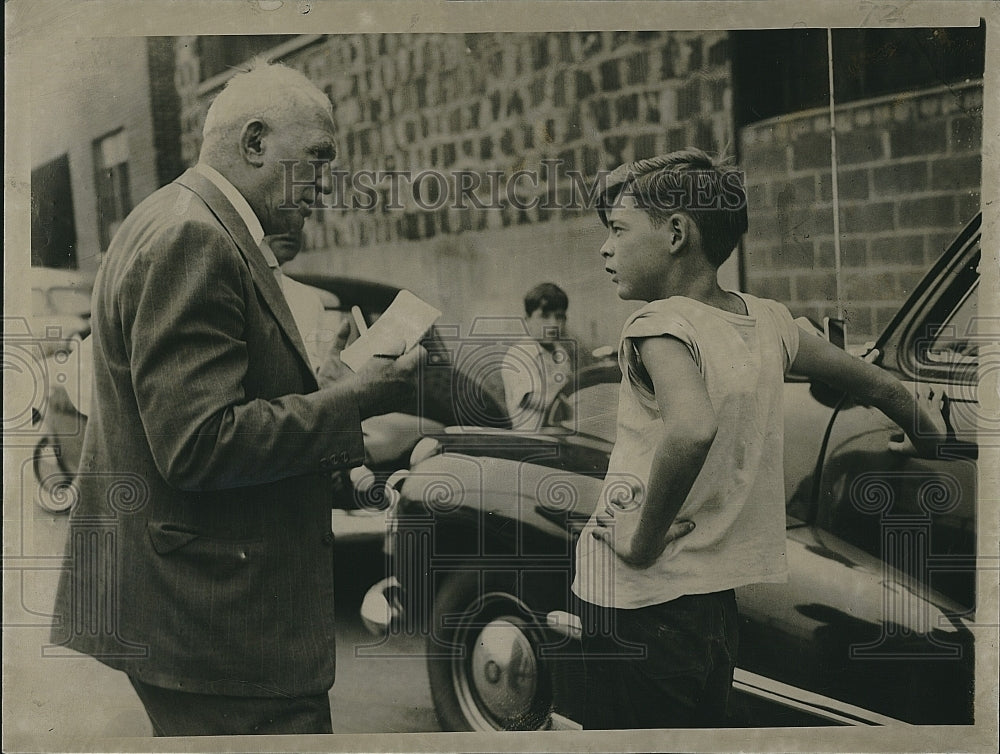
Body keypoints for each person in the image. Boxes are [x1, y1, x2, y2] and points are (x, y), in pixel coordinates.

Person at [50, 61, 423, 736]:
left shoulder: (170, 217)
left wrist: (328, 385)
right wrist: (356, 401)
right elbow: (198, 444)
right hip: (223, 630)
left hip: (202, 619)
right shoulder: (196, 237)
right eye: (316, 158)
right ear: (255, 144)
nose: (324, 185)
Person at [571, 147, 947, 729]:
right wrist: (936, 442)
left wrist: (642, 543)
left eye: (618, 230)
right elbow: (886, 388)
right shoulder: (771, 321)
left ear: (675, 233)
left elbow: (692, 429)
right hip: (716, 605)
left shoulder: (657, 325)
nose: (605, 247)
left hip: (632, 598)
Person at [500, 282, 573, 430]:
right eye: (544, 316)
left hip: (558, 434)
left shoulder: (561, 354)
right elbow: (528, 398)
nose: (553, 324)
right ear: (527, 319)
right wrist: (569, 408)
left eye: (559, 317)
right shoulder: (520, 354)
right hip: (532, 439)